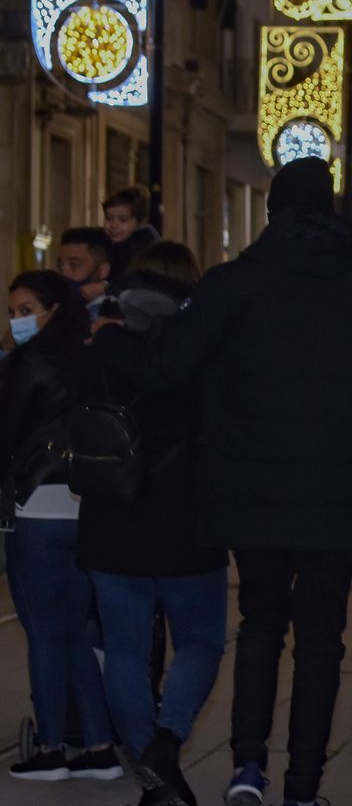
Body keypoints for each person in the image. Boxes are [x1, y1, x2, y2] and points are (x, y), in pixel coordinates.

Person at [93, 158, 352, 806]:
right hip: (340, 500)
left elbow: (166, 367)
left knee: (259, 627)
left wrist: (106, 340)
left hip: (250, 498)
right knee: (322, 643)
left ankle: (247, 768)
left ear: (272, 213)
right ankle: (303, 787)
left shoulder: (233, 284)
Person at [79, 242, 227, 806]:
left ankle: (152, 770)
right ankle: (165, 745)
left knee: (124, 647)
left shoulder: (101, 342)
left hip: (112, 516)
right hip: (186, 518)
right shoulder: (204, 349)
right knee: (201, 640)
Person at [1, 271, 121, 783]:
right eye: (12, 311)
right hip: (86, 508)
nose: (16, 320)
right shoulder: (91, 357)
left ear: (51, 308)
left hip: (35, 508)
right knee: (75, 631)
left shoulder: (28, 364)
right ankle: (99, 747)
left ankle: (50, 749)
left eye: (26, 309)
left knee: (45, 634)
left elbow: (6, 435)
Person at [103, 187, 160, 277]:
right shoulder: (110, 241)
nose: (113, 225)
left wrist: (106, 285)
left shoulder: (140, 248)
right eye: (108, 218)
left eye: (123, 220)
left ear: (140, 223)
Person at [57, 226, 114, 312]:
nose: (64, 273)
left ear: (103, 271)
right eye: (60, 266)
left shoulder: (116, 313)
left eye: (74, 265)